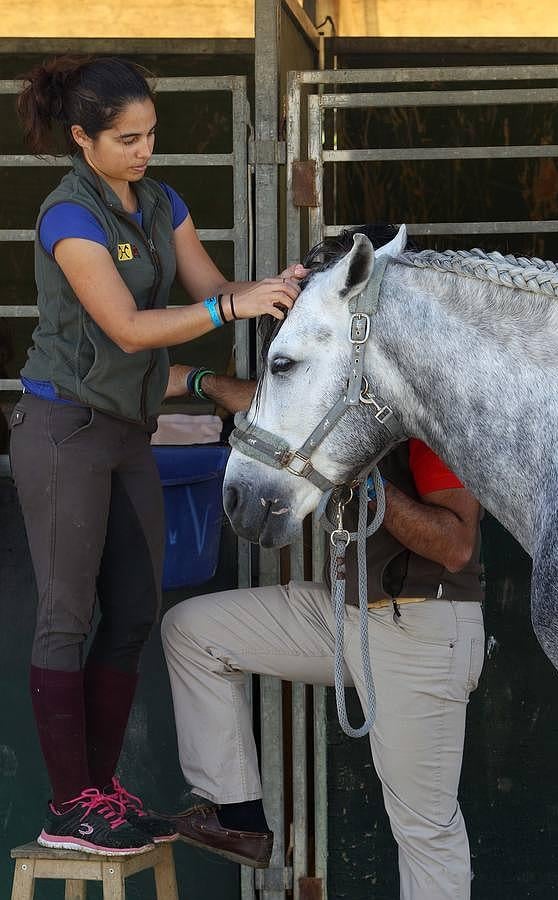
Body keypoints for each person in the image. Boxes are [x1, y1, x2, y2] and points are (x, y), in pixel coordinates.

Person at [9, 55, 307, 857]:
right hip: (64, 431)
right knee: (65, 618)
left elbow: (215, 287)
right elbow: (131, 329)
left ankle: (99, 793)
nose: (144, 151)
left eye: (150, 135)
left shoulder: (162, 201)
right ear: (83, 138)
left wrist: (284, 291)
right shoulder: (67, 218)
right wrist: (226, 303)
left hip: (128, 433)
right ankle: (67, 807)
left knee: (135, 610)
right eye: (127, 138)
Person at [160, 226, 486, 898]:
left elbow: (456, 544)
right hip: (353, 615)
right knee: (192, 630)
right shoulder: (344, 392)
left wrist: (363, 483)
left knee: (424, 829)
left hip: (422, 623)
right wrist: (190, 379)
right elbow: (279, 415)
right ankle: (237, 816)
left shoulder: (425, 402)